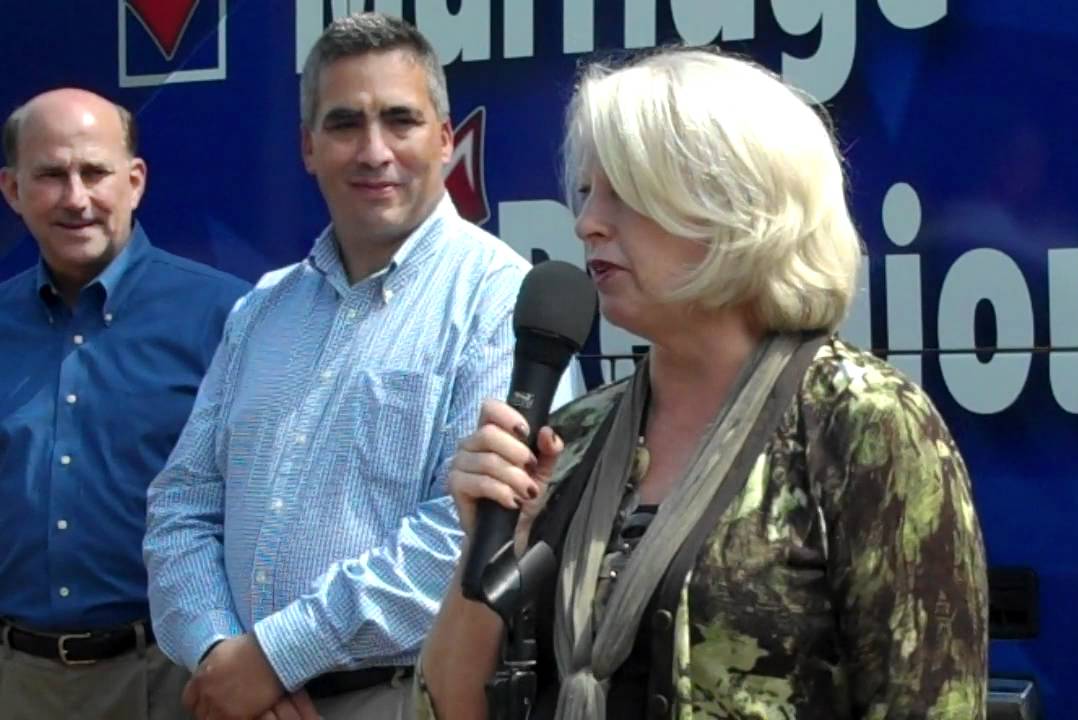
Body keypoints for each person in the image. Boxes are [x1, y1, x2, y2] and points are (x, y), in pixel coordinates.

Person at [417, 48, 989, 719]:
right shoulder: (570, 436)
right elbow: (447, 709)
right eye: (587, 192)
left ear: (734, 207)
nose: (586, 222)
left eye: (625, 193)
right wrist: (486, 548)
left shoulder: (862, 422)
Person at [143, 12, 573, 720]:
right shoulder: (262, 309)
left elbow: (470, 534)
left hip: (403, 700)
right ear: (308, 147)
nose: (374, 151)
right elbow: (181, 505)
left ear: (444, 139)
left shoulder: (503, 302)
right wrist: (219, 654)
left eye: (399, 121)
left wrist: (276, 656)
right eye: (344, 125)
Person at [0, 89, 249, 719]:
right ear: (12, 190)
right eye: (51, 175)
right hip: (15, 681)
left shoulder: (230, 317)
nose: (76, 198)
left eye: (95, 172)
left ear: (135, 181)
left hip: (173, 679)